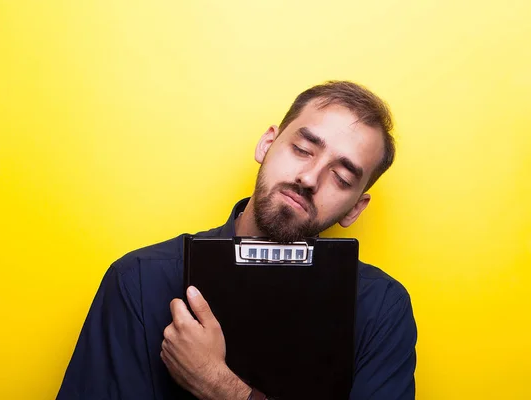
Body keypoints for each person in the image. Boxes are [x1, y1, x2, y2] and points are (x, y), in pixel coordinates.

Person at [56, 81, 417, 400]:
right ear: (267, 143)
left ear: (355, 208)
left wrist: (220, 387)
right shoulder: (137, 280)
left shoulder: (382, 309)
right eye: (303, 150)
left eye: (340, 176)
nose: (309, 178)